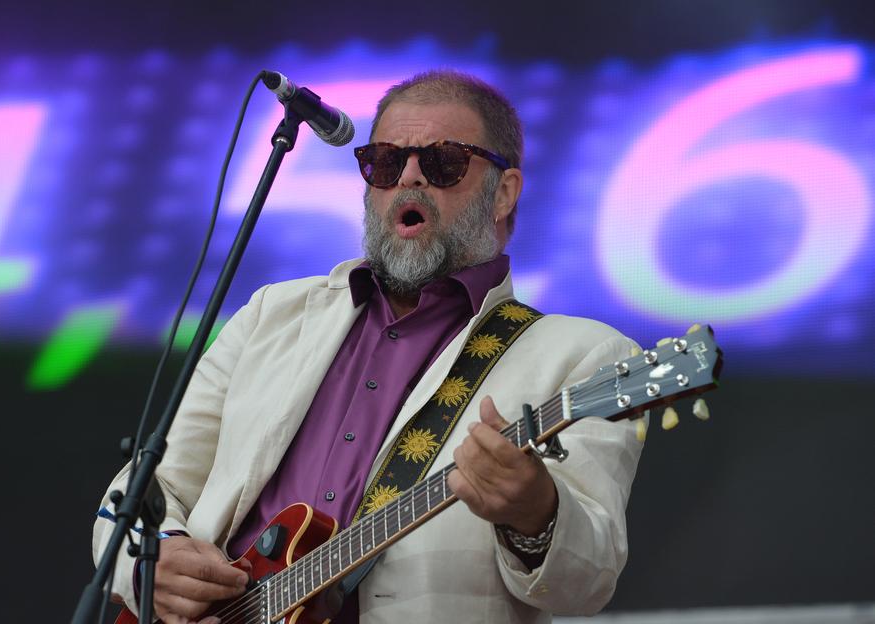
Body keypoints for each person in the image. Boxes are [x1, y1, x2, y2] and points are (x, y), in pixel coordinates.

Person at [92, 70, 642, 624]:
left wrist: (535, 513)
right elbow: (149, 487)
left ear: (503, 192)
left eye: (443, 162)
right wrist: (154, 560)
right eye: (384, 162)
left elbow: (588, 581)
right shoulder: (271, 315)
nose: (409, 178)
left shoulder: (582, 356)